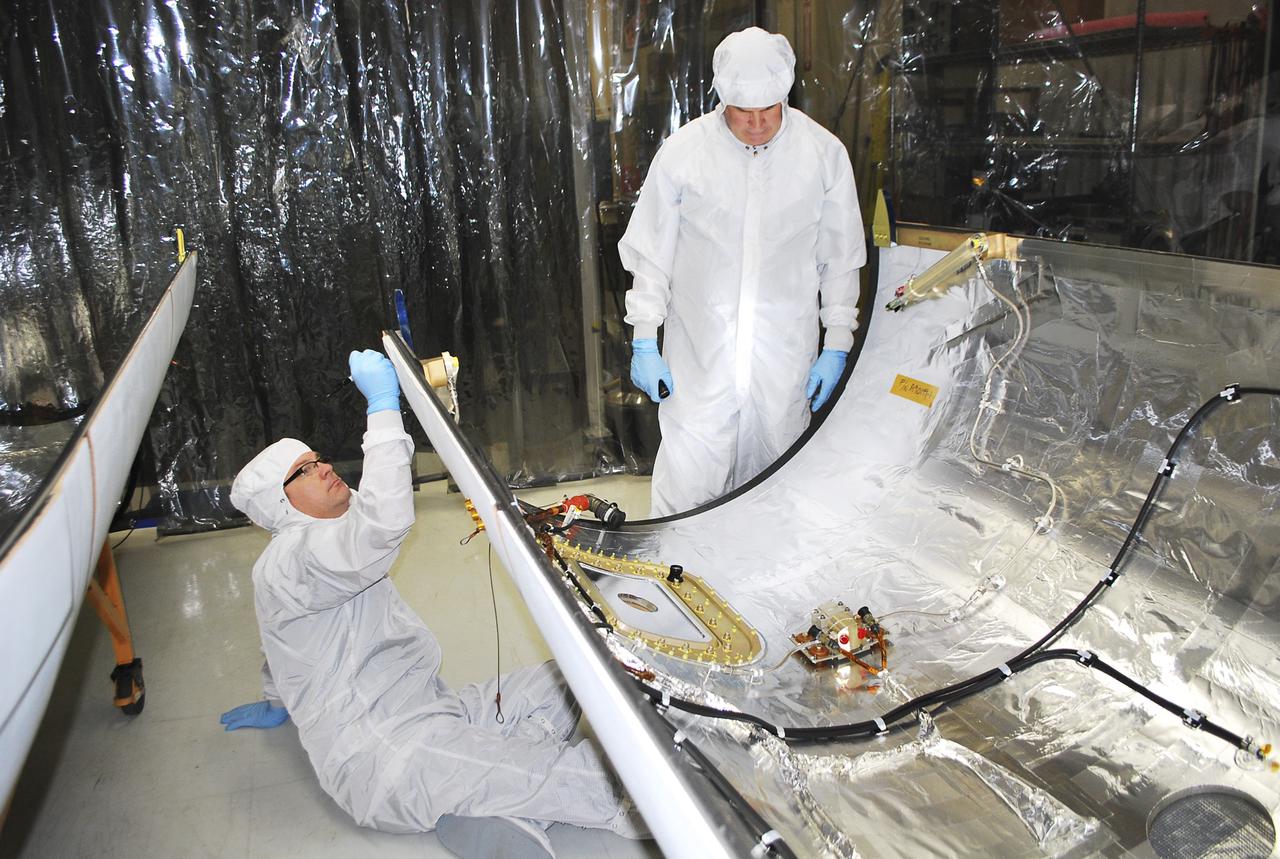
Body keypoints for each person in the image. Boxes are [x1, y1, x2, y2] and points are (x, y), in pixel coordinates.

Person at [223, 349, 646, 859]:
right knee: (588, 779)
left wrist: (275, 700)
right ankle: (627, 799)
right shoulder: (292, 560)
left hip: (436, 710)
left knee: (576, 671)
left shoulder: (333, 528)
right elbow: (383, 524)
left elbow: (283, 647)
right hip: (384, 756)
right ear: (278, 503)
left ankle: (487, 798)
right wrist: (381, 407)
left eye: (318, 458)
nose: (325, 467)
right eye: (306, 470)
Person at [620, 27, 866, 517]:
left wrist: (837, 343)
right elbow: (652, 255)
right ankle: (679, 580)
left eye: (768, 110)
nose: (756, 124)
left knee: (776, 485)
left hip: (783, 362)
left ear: (785, 96)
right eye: (742, 112)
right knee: (688, 484)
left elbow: (840, 258)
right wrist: (644, 338)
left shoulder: (823, 155)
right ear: (722, 100)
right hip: (700, 359)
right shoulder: (684, 154)